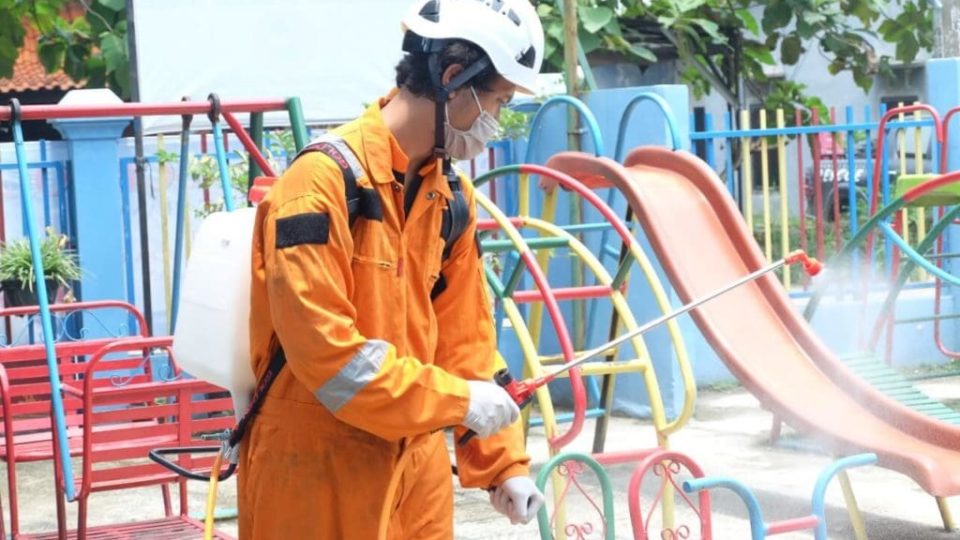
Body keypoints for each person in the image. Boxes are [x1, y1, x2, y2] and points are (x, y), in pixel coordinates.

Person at [238, 0, 547, 537]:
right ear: (453, 79)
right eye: (495, 102)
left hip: (415, 474)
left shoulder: (450, 198)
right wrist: (460, 402)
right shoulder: (318, 187)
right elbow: (331, 362)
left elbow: (465, 340)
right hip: (315, 472)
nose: (495, 124)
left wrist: (502, 466)